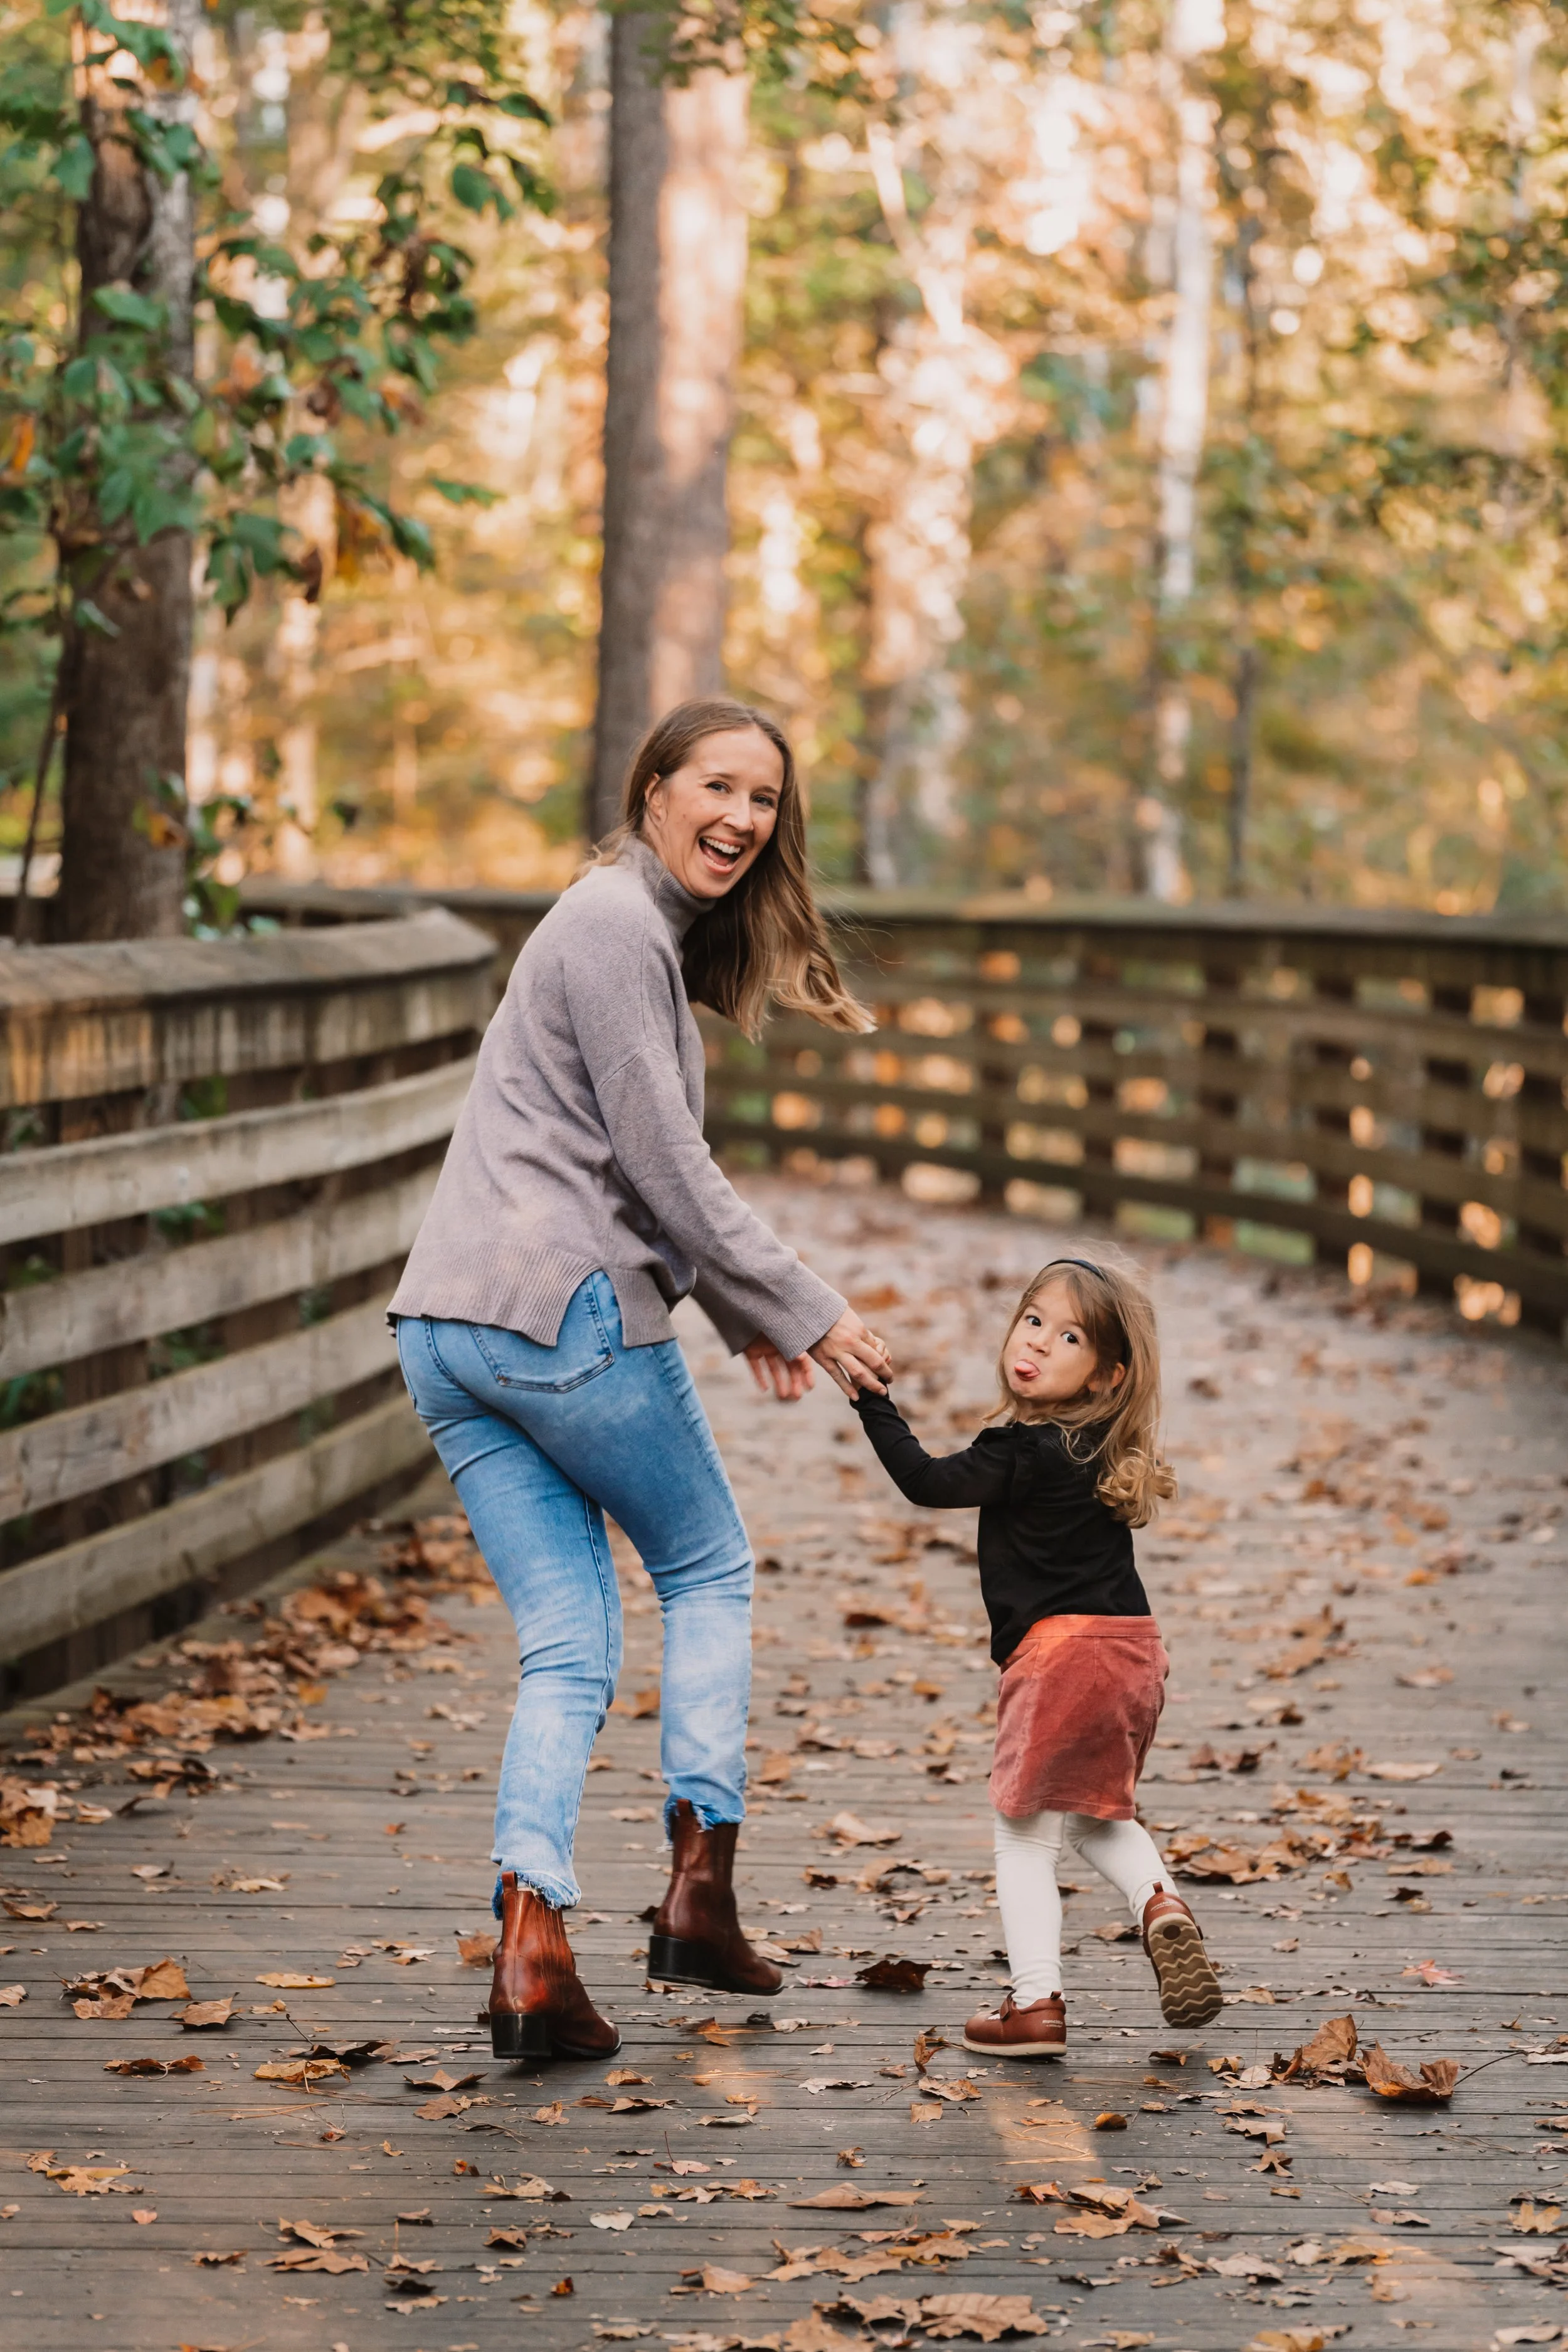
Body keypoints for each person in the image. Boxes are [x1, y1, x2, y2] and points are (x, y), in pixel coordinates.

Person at [390, 698, 891, 2062]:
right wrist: (810, 1309)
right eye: (716, 787)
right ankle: (699, 1889)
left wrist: (733, 1317)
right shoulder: (614, 925)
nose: (740, 818)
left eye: (765, 801)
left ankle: (534, 1949)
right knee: (707, 1567)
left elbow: (610, 1166)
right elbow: (664, 1164)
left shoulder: (608, 924)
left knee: (567, 1644)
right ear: (652, 787)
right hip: (556, 1320)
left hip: (450, 1326)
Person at [847, 1254, 1222, 2057]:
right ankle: (1159, 1903)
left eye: (1069, 1337)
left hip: (1058, 1658)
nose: (1040, 1343)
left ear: (1105, 1378)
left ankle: (1034, 2004)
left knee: (1023, 1838)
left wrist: (872, 1400)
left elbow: (923, 1480)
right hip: (1134, 1654)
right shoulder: (1100, 1456)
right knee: (1095, 1817)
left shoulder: (1021, 1449)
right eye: (1033, 1321)